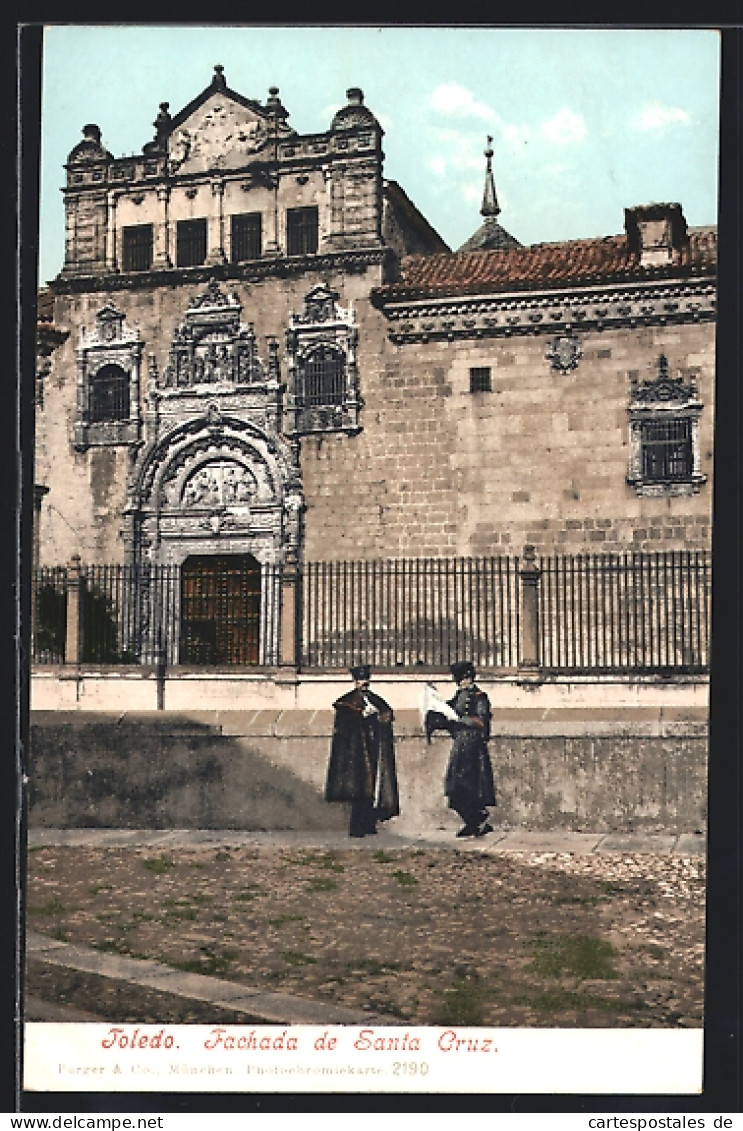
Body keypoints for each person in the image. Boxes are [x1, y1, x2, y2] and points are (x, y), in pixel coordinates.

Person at [324, 664, 400, 838]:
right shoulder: (346, 702)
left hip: (374, 749)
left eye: (365, 680)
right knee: (358, 791)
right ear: (355, 682)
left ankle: (369, 825)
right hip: (355, 753)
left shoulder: (375, 699)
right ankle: (356, 828)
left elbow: (387, 713)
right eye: (360, 680)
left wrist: (380, 717)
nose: (363, 683)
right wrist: (360, 717)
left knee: (372, 788)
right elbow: (344, 726)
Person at [425, 661, 495, 838]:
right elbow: (448, 712)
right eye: (459, 680)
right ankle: (473, 821)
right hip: (460, 745)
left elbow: (480, 721)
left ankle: (477, 819)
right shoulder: (459, 696)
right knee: (454, 788)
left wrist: (458, 719)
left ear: (470, 677)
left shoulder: (480, 697)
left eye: (464, 679)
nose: (462, 682)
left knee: (469, 786)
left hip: (473, 746)